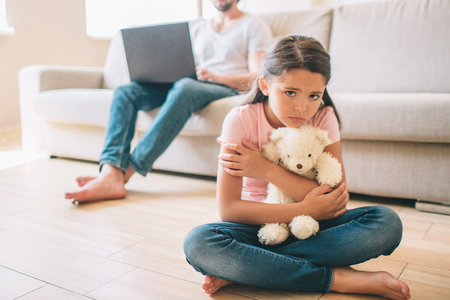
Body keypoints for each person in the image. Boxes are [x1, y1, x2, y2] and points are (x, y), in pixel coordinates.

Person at [183, 35, 411, 300]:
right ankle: (338, 279)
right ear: (265, 84)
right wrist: (303, 208)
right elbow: (229, 209)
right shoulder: (240, 120)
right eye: (290, 92)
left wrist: (268, 170)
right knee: (199, 243)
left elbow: (333, 201)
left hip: (315, 227)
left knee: (387, 224)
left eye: (314, 95)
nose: (302, 107)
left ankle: (248, 269)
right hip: (261, 227)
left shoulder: (324, 117)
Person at [65, 0, 273, 204]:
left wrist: (218, 77)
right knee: (126, 92)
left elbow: (258, 75)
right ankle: (110, 171)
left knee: (185, 86)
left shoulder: (253, 24)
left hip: (223, 87)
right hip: (188, 82)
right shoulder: (199, 26)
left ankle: (125, 173)